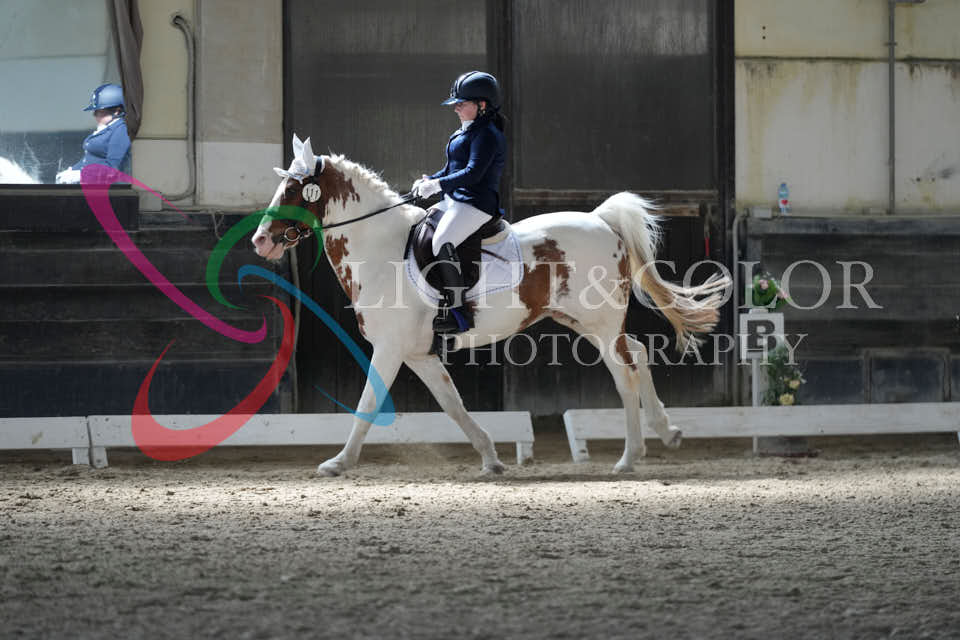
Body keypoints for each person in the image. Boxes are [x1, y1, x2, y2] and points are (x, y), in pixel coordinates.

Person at [412, 70, 507, 335]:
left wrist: (438, 186)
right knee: (421, 226)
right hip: (456, 199)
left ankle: (459, 312)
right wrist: (430, 180)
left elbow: (473, 173)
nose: (456, 108)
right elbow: (451, 168)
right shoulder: (465, 131)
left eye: (461, 103)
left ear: (482, 105)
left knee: (442, 240)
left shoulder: (487, 135)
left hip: (476, 204)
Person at [56, 83, 131, 184]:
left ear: (117, 111)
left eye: (99, 111)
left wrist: (82, 175)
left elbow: (112, 168)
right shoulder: (106, 128)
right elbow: (89, 158)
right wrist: (72, 170)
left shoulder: (121, 130)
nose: (94, 115)